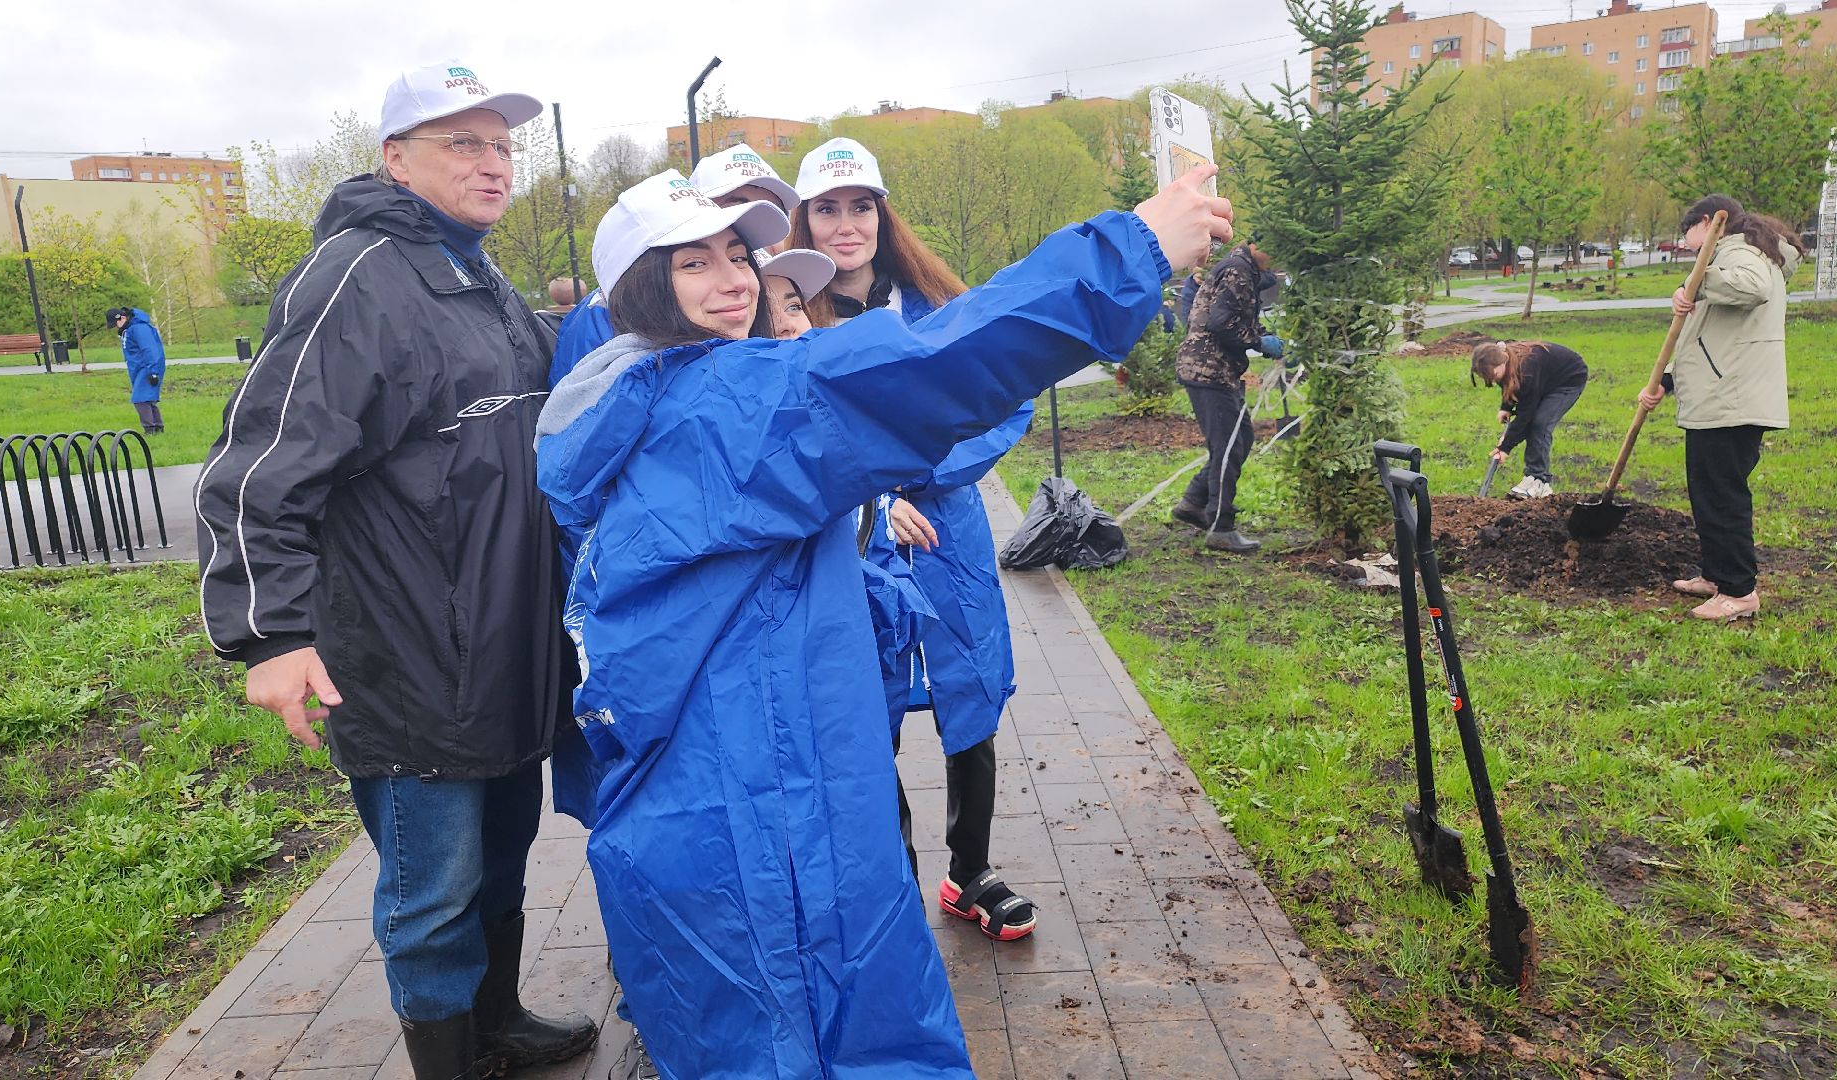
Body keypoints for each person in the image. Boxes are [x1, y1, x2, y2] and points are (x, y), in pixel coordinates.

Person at [535, 164, 1231, 1078]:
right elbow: (933, 362)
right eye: (692, 263)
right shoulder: (723, 404)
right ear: (637, 290)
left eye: (737, 254)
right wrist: (1130, 249)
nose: (735, 278)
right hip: (763, 803)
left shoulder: (633, 396)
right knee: (812, 1032)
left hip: (742, 783)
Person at [193, 62, 596, 1080]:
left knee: (501, 858)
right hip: (410, 659)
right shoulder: (357, 274)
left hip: (502, 645)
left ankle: (494, 1026)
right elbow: (258, 465)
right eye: (463, 143)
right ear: (394, 158)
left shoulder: (472, 275)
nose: (493, 164)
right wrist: (271, 633)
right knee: (434, 892)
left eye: (502, 146)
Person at [790, 137, 1039, 941]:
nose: (845, 224)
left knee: (972, 692)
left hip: (946, 536)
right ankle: (888, 875)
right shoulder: (789, 318)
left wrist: (925, 470)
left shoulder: (937, 302)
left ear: (881, 212)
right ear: (805, 220)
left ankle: (972, 871)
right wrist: (877, 487)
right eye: (827, 209)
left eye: (860, 205)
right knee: (867, 703)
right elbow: (794, 437)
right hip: (852, 546)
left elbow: (1006, 400)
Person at [1638, 194, 1800, 622]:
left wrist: (1696, 281)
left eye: (1687, 234)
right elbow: (1704, 334)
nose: (1688, 245)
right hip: (1719, 397)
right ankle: (1716, 576)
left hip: (1732, 399)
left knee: (1723, 497)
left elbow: (1754, 288)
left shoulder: (1741, 252)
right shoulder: (1730, 255)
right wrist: (1665, 382)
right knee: (1708, 493)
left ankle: (1738, 591)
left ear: (1707, 222)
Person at [1171, 238, 1282, 553]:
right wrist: (1260, 343)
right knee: (1229, 446)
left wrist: (1266, 338)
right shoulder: (1237, 270)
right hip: (1208, 370)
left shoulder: (1244, 269)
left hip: (1217, 371)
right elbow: (1222, 324)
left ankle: (1194, 502)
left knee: (1241, 439)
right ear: (1256, 243)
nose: (1276, 260)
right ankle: (1221, 527)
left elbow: (1236, 319)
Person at [1470, 340, 1588, 499]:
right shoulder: (1506, 365)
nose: (1492, 381)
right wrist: (1506, 406)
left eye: (1493, 375)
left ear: (1503, 360)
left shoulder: (1527, 369)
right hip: (1545, 381)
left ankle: (1539, 480)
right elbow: (1511, 384)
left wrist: (1505, 446)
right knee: (1535, 422)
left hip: (1568, 379)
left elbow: (1527, 415)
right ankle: (1534, 478)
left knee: (1540, 424)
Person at [109, 307, 166, 433]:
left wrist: (153, 372)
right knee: (147, 399)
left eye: (116, 324)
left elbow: (150, 350)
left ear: (122, 318)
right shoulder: (130, 329)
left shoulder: (139, 328)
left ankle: (150, 429)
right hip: (141, 368)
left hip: (147, 368)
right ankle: (157, 427)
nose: (116, 327)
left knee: (139, 399)